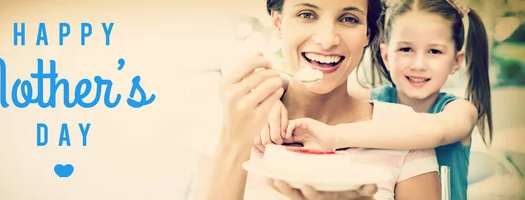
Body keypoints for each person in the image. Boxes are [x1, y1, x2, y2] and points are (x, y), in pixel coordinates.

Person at [192, 0, 441, 199]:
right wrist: (237, 140)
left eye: (348, 19)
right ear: (278, 23)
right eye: (307, 14)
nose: (327, 39)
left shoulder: (404, 128)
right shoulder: (235, 117)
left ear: (367, 34)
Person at [257, 0, 492, 199]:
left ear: (456, 61)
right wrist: (272, 94)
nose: (419, 64)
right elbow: (319, 87)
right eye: (406, 49)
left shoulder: (459, 110)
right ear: (386, 55)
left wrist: (333, 136)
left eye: (434, 52)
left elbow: (434, 131)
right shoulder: (377, 98)